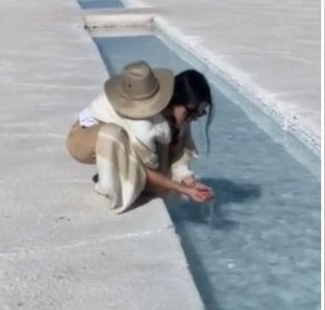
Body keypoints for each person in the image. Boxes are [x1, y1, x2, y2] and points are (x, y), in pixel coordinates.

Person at [66, 60, 215, 212]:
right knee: (113, 135)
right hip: (83, 137)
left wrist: (189, 181)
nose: (195, 117)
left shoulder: (173, 112)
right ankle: (107, 185)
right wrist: (183, 189)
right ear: (176, 99)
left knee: (168, 146)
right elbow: (144, 173)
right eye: (192, 112)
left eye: (200, 113)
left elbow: (178, 154)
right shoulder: (143, 126)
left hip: (128, 133)